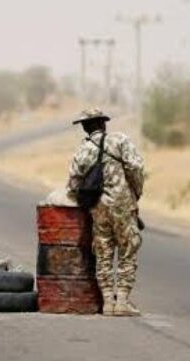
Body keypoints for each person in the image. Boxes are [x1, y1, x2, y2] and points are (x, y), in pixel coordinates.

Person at [67, 109, 145, 316]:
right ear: (103, 124)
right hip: (123, 204)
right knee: (128, 249)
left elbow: (73, 184)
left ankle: (108, 302)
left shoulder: (82, 151)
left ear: (85, 128)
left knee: (103, 252)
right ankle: (123, 301)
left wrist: (87, 203)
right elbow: (136, 168)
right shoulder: (119, 141)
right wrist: (135, 193)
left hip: (98, 208)